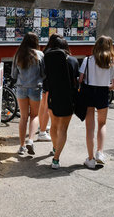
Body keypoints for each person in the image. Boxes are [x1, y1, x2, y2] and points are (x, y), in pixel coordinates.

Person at [79, 36, 114, 169]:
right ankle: (100, 153)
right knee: (102, 123)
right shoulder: (112, 62)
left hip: (89, 92)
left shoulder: (88, 59)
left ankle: (90, 159)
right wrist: (104, 85)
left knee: (89, 127)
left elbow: (80, 79)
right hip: (103, 93)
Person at [43, 36, 79, 169]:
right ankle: (56, 159)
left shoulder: (48, 60)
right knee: (63, 129)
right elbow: (76, 80)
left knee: (53, 125)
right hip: (68, 99)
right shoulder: (73, 61)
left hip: (53, 97)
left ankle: (54, 147)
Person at [11, 32, 44, 155]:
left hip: (21, 88)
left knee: (23, 117)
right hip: (35, 88)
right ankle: (30, 140)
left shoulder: (18, 55)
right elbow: (44, 73)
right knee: (34, 116)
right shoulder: (40, 54)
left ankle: (21, 146)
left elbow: (14, 75)